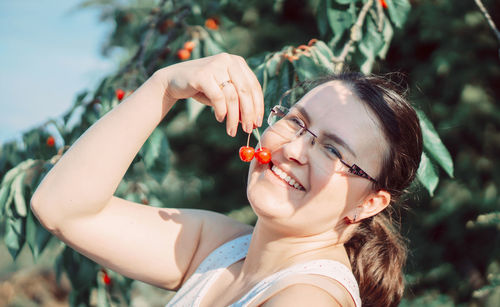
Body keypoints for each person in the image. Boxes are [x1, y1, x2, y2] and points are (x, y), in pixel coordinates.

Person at [31, 53, 423, 307]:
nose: (294, 150)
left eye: (334, 151)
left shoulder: (307, 300)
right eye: (297, 123)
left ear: (368, 204)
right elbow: (63, 210)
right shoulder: (221, 249)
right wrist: (163, 86)